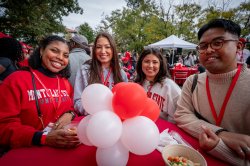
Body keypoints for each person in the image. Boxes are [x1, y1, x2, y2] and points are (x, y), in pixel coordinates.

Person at [174, 19, 250, 166]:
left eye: (217, 43)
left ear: (239, 46)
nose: (208, 50)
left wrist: (218, 147)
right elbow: (182, 115)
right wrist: (221, 134)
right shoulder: (192, 81)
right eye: (203, 46)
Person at [0, 35, 79, 151]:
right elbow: (3, 126)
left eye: (65, 55)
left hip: (59, 153)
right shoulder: (16, 80)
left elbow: (72, 108)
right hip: (24, 153)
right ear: (42, 51)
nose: (60, 58)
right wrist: (42, 138)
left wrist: (70, 114)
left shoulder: (65, 83)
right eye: (54, 51)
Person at [74, 32, 128, 116]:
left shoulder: (121, 74)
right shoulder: (85, 70)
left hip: (114, 122)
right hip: (92, 121)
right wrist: (94, 112)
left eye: (107, 47)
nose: (103, 51)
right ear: (94, 49)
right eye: (99, 47)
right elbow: (77, 101)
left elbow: (125, 101)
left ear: (113, 49)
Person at [135, 48, 181, 123]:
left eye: (155, 62)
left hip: (163, 130)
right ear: (141, 63)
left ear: (160, 65)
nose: (150, 65)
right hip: (139, 126)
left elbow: (175, 118)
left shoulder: (169, 86)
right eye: (146, 61)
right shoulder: (137, 84)